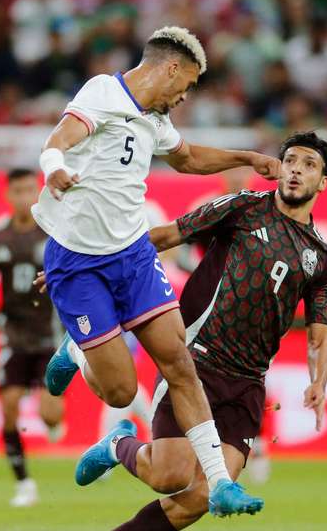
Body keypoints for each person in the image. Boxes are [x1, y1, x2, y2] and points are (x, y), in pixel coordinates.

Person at [36, 26, 279, 516]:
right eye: (185, 85)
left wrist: (247, 157)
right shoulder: (104, 92)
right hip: (79, 265)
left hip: (134, 258)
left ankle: (219, 484)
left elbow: (187, 157)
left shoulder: (152, 119)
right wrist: (53, 166)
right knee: (122, 390)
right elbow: (59, 137)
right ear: (170, 67)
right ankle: (78, 355)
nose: (185, 96)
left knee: (179, 364)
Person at [50, 131, 327, 530]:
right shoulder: (243, 208)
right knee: (170, 476)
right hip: (195, 362)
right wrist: (85, 260)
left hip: (249, 382)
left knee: (199, 499)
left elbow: (319, 334)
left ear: (322, 182)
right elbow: (167, 234)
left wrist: (318, 381)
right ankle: (119, 444)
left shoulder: (321, 258)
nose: (295, 171)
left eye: (309, 166)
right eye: (290, 160)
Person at [0, 169, 65, 508]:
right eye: (17, 190)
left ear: (38, 192)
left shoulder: (54, 232)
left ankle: (55, 421)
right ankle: (24, 483)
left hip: (49, 334)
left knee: (50, 415)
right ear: (8, 196)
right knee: (9, 407)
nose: (24, 196)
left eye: (30, 189)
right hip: (12, 335)